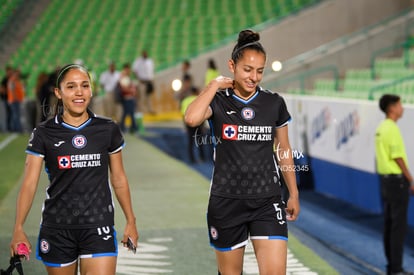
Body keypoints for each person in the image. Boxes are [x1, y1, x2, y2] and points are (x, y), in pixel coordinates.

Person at [184, 29, 300, 274]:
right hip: (227, 201)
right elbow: (192, 118)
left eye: (260, 71)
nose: (254, 77)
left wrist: (293, 192)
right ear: (232, 66)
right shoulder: (218, 100)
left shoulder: (274, 102)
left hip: (267, 200)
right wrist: (213, 85)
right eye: (247, 69)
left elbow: (283, 149)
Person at [10, 64, 139, 275]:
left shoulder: (108, 129)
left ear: (91, 90)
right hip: (57, 228)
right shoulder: (43, 133)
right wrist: (18, 229)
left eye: (84, 85)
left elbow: (119, 178)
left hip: (99, 225)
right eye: (71, 87)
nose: (79, 92)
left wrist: (131, 221)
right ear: (58, 93)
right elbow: (29, 183)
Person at [375, 94, 414, 275]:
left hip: (385, 181)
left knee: (389, 224)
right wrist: (410, 178)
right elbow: (397, 156)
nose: (402, 108)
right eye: (399, 104)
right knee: (398, 227)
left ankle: (392, 266)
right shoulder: (392, 129)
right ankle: (396, 268)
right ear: (392, 108)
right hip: (397, 182)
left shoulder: (381, 128)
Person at [180, 85, 206, 164]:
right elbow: (203, 113)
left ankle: (192, 159)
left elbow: (183, 114)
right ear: (196, 92)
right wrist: (203, 125)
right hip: (198, 122)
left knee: (191, 142)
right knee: (200, 141)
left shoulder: (185, 100)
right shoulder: (199, 99)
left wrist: (185, 125)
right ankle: (202, 158)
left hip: (189, 123)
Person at [119, 63, 138, 134]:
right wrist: (131, 90)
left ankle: (129, 127)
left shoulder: (128, 77)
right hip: (127, 97)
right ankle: (132, 127)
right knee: (128, 113)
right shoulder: (124, 78)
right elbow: (124, 89)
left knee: (129, 112)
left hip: (130, 97)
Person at [7, 68, 25, 133]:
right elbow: (12, 90)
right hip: (14, 101)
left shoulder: (17, 81)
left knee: (16, 115)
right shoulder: (12, 81)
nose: (18, 75)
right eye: (17, 74)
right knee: (15, 115)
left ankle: (16, 129)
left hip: (17, 100)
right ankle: (17, 129)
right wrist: (16, 98)